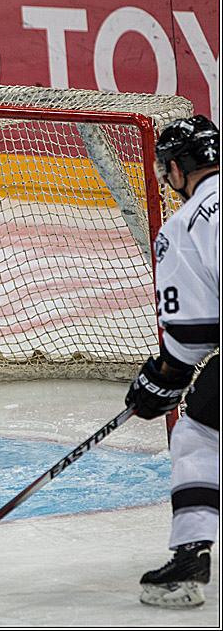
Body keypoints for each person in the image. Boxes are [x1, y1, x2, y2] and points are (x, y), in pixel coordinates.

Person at [124, 115, 219, 608]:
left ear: (180, 169)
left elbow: (194, 336)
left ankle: (188, 563)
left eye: (167, 169)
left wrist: (161, 380)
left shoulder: (184, 225)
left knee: (198, 434)